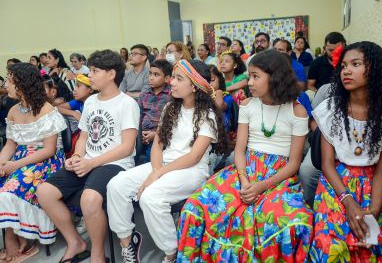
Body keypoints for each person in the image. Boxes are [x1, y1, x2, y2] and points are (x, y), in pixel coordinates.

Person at [177, 50, 313, 262]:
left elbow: (294, 163)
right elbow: (239, 150)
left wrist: (261, 186)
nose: (249, 82)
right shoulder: (248, 105)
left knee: (291, 221)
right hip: (244, 169)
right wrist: (244, 179)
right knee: (196, 205)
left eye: (255, 76)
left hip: (279, 176)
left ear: (275, 77)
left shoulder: (297, 111)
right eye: (249, 75)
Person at [107, 59, 227, 263]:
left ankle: (172, 251)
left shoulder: (207, 115)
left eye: (179, 79)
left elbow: (194, 156)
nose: (171, 82)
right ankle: (128, 242)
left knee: (150, 197)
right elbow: (158, 146)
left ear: (194, 86)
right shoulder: (170, 108)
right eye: (172, 77)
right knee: (116, 184)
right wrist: (156, 169)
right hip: (162, 165)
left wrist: (157, 174)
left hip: (192, 170)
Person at [37, 50, 140, 263]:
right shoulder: (91, 101)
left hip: (115, 164)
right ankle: (76, 242)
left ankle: (98, 255)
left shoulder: (126, 103)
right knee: (45, 191)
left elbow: (127, 147)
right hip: (88, 160)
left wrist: (91, 162)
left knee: (90, 198)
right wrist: (76, 155)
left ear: (111, 74)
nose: (88, 75)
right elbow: (83, 136)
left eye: (94, 71)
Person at [309, 41, 382, 262]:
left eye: (355, 64)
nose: (346, 71)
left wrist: (373, 212)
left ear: (375, 69)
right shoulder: (331, 110)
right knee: (332, 239)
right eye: (343, 66)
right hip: (336, 183)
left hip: (373, 182)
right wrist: (349, 202)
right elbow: (328, 166)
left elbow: (381, 171)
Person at [0, 63, 66, 262]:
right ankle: (20, 237)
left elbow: (49, 149)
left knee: (8, 191)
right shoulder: (13, 110)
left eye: (10, 82)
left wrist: (14, 166)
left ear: (22, 85)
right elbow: (11, 145)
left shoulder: (46, 109)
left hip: (46, 161)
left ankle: (18, 240)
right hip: (21, 157)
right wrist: (2, 162)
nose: (6, 86)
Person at [138, 59, 172, 162]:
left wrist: (155, 134)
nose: (151, 78)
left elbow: (171, 121)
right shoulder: (144, 93)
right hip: (142, 134)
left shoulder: (171, 95)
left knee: (151, 157)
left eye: (156, 75)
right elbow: (139, 115)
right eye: (150, 74)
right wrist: (140, 133)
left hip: (159, 135)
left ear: (166, 78)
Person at [273, 39, 313, 117]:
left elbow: (301, 87)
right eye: (275, 50)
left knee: (303, 96)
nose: (277, 53)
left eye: (280, 50)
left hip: (291, 94)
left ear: (289, 52)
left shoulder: (297, 66)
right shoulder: (268, 64)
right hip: (273, 93)